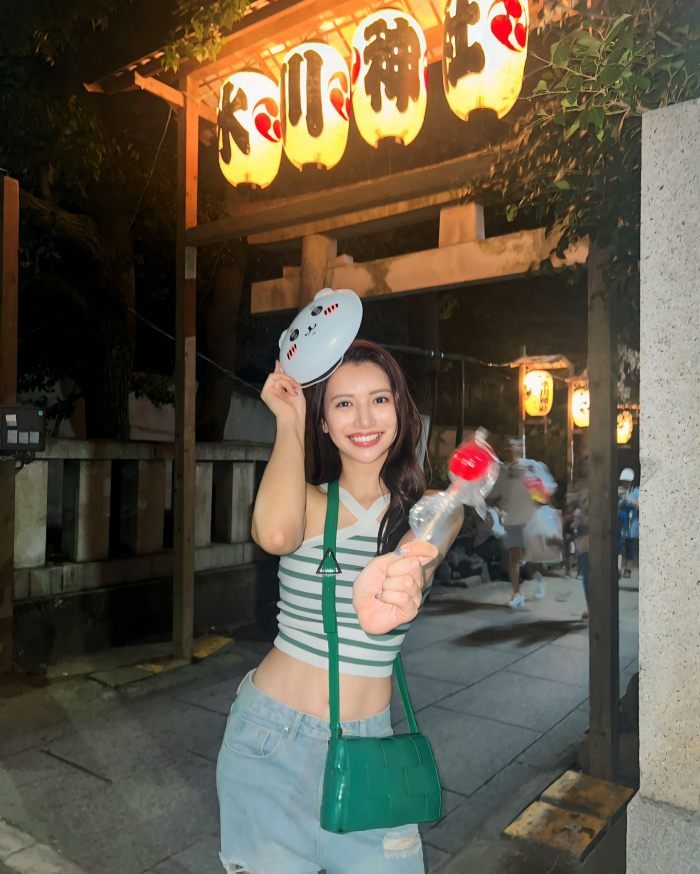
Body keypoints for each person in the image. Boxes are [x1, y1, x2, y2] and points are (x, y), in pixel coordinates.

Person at [216, 340, 461, 874]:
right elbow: (274, 534)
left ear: (401, 410)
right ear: (323, 421)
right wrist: (288, 420)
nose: (364, 418)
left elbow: (425, 551)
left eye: (379, 399)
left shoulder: (429, 510)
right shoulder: (309, 500)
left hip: (370, 747)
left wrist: (410, 574)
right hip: (271, 740)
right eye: (344, 403)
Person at [490, 438, 549, 608]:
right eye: (506, 446)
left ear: (520, 448)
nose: (508, 448)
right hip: (512, 520)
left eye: (512, 445)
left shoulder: (530, 466)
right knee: (514, 557)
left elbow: (542, 495)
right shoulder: (503, 471)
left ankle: (538, 579)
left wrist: (538, 495)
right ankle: (517, 594)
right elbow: (495, 496)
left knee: (532, 557)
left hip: (530, 519)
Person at [618, 468, 640, 579]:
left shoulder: (637, 492)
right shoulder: (618, 491)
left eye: (627, 482)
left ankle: (628, 569)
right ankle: (618, 568)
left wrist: (632, 502)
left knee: (630, 549)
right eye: (623, 481)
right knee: (619, 547)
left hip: (632, 526)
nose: (625, 484)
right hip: (621, 524)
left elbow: (640, 505)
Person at [571, 507, 590, 620]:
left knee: (588, 578)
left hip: (587, 546)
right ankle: (591, 607)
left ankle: (592, 608)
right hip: (584, 546)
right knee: (587, 578)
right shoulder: (579, 510)